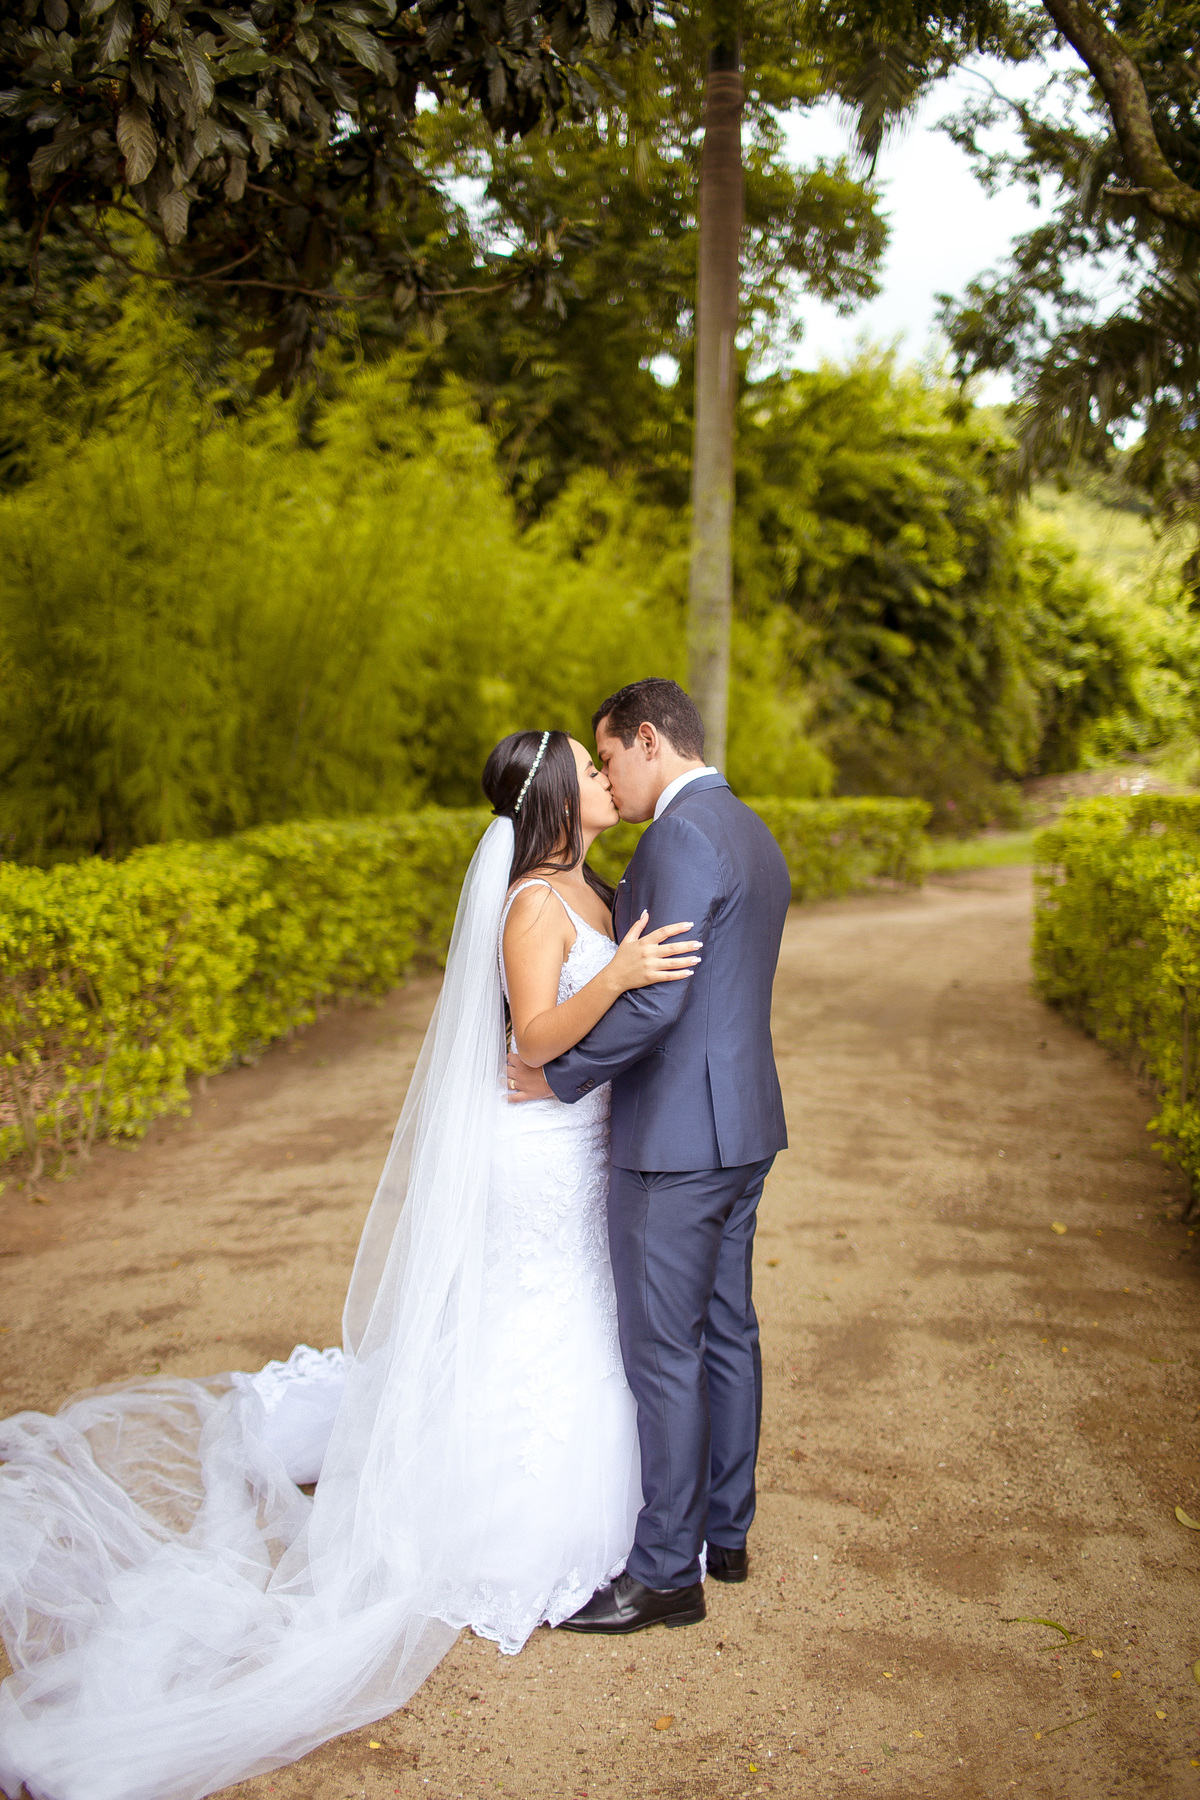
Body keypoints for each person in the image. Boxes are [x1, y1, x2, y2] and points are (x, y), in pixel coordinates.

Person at [0, 729, 699, 1800]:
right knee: (536, 1311)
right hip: (535, 1154)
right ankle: (499, 1516)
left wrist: (634, 970)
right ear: (560, 796)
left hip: (578, 1144)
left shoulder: (594, 890)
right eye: (593, 770)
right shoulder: (530, 905)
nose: (610, 780)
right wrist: (627, 980)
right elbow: (537, 1038)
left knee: (574, 1311)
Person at [507, 678, 792, 1634]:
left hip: (674, 1140)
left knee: (664, 1351)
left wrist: (562, 1077)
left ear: (646, 742)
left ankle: (667, 1572)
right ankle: (726, 1531)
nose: (612, 783)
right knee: (727, 1330)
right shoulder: (748, 826)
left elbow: (661, 998)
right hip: (743, 1126)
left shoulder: (676, 834)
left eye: (611, 758)